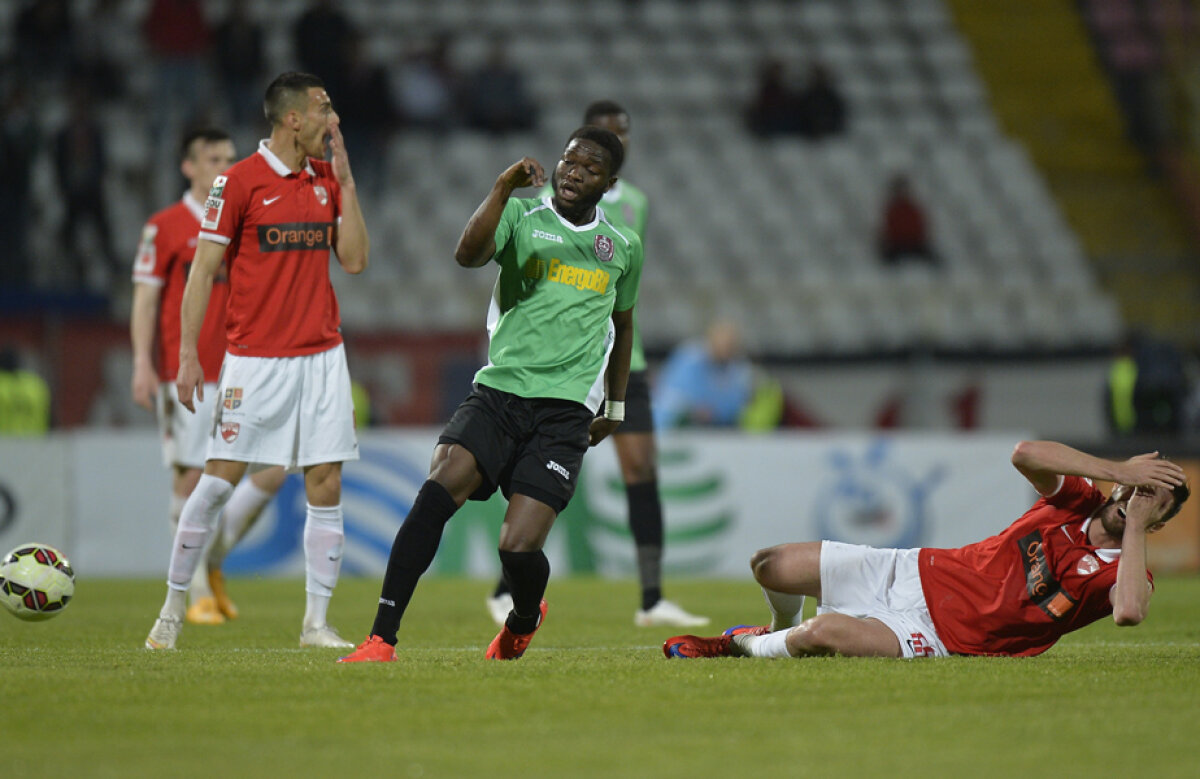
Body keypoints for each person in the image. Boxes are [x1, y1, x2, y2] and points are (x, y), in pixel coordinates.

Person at [338, 125, 642, 663]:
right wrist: (502, 188)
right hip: (499, 391)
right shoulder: (520, 216)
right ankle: (381, 639)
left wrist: (614, 408)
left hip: (564, 412)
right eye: (569, 161)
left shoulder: (622, 247)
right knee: (436, 492)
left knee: (517, 549)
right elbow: (466, 255)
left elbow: (623, 325)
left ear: (609, 183)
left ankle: (524, 618)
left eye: (590, 168)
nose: (574, 173)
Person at [145, 71, 370, 650]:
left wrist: (346, 183)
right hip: (255, 360)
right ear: (292, 119)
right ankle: (172, 609)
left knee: (326, 481)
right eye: (323, 108)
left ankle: (316, 624)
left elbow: (354, 260)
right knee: (218, 481)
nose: (333, 119)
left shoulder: (326, 177)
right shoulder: (238, 182)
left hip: (322, 355)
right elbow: (201, 272)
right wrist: (187, 356)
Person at [486, 100, 707, 629]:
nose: (617, 139)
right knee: (541, 468)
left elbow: (623, 291)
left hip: (627, 357)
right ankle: (505, 585)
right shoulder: (552, 199)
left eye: (622, 133)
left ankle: (652, 599)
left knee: (642, 467)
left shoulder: (636, 204)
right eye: (607, 132)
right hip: (568, 361)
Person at [662, 440, 1189, 660]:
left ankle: (737, 648)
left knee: (822, 634)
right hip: (914, 570)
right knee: (769, 565)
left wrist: (1137, 526)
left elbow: (1128, 613)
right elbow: (1024, 454)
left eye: (1154, 500)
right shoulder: (1077, 499)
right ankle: (775, 629)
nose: (1139, 498)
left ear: (1160, 521)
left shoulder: (1127, 573)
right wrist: (1118, 471)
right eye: (1139, 486)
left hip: (939, 634)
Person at [131, 126, 287, 626]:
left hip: (247, 364)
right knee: (192, 475)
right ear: (189, 167)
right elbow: (146, 300)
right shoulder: (164, 226)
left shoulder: (245, 218)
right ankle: (196, 590)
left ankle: (212, 561)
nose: (224, 167)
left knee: (275, 468)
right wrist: (142, 363)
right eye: (213, 158)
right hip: (190, 369)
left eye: (229, 158)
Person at [653, 319, 753, 430]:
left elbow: (735, 404)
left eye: (731, 345)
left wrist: (715, 412)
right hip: (671, 427)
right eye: (723, 343)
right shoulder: (690, 358)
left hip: (713, 429)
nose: (726, 349)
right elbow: (673, 396)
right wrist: (696, 409)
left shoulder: (736, 368)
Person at [878, 174, 935, 265]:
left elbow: (920, 225)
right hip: (898, 244)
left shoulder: (910, 208)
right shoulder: (894, 209)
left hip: (913, 243)